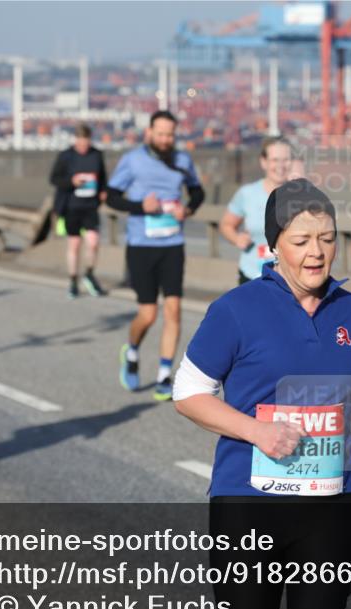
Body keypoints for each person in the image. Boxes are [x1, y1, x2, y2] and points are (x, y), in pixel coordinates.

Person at [173, 179, 351, 609]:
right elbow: (187, 393)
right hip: (249, 503)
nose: (317, 252)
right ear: (274, 245)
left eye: (327, 238)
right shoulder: (236, 310)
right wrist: (256, 431)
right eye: (301, 240)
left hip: (331, 503)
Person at [106, 110, 205, 399]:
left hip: (173, 244)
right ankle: (132, 351)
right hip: (141, 245)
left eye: (170, 135)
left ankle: (164, 374)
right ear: (149, 133)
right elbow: (111, 197)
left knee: (173, 309)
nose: (165, 139)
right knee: (148, 314)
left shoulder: (182, 160)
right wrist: (140, 207)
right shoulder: (133, 160)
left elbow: (197, 193)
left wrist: (187, 209)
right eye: (160, 134)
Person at [218, 136, 292, 284]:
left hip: (289, 278)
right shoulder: (247, 193)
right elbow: (226, 225)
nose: (281, 165)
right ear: (263, 162)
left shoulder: (300, 195)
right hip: (252, 275)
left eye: (285, 160)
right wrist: (237, 238)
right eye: (275, 160)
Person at [48, 123, 108, 299]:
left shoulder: (96, 155)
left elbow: (103, 177)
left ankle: (89, 274)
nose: (83, 145)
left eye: (86, 141)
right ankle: (73, 280)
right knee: (74, 244)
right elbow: (54, 179)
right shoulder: (66, 156)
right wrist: (71, 181)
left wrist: (103, 191)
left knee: (93, 241)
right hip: (71, 206)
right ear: (75, 140)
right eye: (80, 141)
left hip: (90, 206)